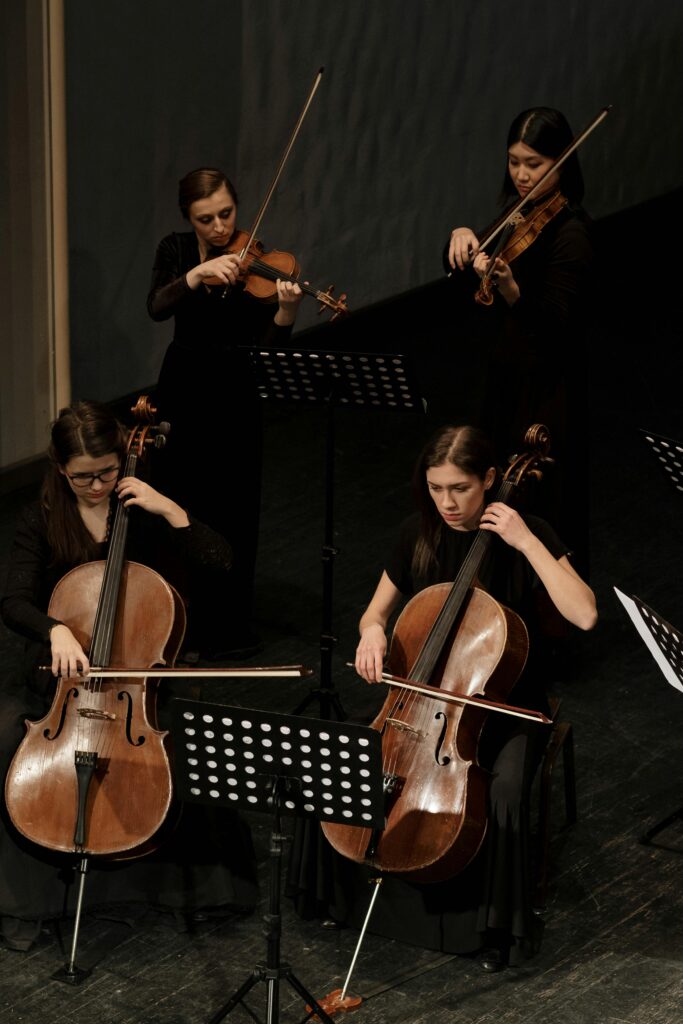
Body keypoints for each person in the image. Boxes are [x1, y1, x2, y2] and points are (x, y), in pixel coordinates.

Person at [290, 425, 596, 970]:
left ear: (491, 479)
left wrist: (526, 541)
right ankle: (343, 897)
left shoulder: (530, 532)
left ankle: (490, 927)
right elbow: (374, 612)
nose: (448, 503)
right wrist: (372, 632)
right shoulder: (419, 533)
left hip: (501, 706)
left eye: (460, 488)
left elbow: (585, 614)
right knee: (336, 761)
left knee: (498, 795)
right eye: (436, 488)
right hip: (418, 702)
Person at [0, 401, 257, 952]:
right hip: (59, 684)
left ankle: (202, 891)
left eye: (108, 471)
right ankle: (31, 903)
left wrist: (172, 512)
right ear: (59, 468)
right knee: (4, 746)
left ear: (124, 459)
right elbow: (12, 600)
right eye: (82, 476)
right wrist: (54, 629)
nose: (97, 485)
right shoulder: (41, 516)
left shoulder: (141, 507)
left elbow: (221, 562)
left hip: (140, 683)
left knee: (195, 746)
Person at [147, 167, 304, 657]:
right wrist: (195, 274)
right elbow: (155, 306)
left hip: (236, 391)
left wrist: (285, 315)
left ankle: (228, 626)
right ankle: (179, 620)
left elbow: (267, 350)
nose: (219, 227)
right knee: (180, 500)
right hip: (184, 386)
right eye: (206, 218)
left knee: (234, 505)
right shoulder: (174, 251)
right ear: (188, 218)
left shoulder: (258, 261)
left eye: (226, 214)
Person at [444, 107, 594, 574]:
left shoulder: (571, 233)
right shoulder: (516, 215)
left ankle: (551, 620)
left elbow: (554, 327)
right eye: (514, 162)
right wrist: (463, 235)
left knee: (542, 508)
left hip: (546, 389)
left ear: (561, 163)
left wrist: (511, 290)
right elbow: (458, 272)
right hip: (506, 379)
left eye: (535, 163)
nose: (523, 174)